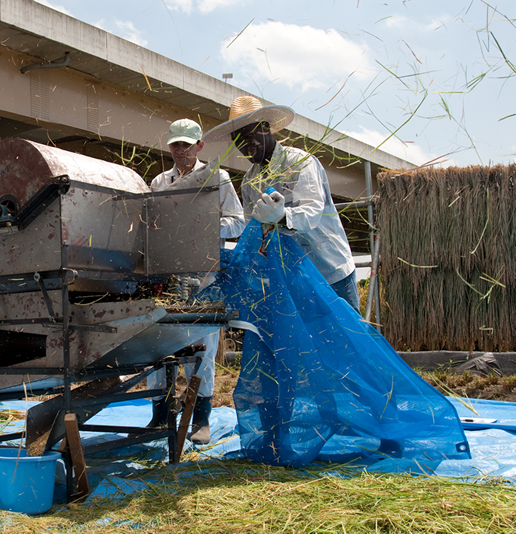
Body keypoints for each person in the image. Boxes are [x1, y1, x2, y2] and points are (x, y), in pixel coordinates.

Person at [202, 95, 360, 311]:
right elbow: (253, 230)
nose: (246, 147)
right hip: (294, 278)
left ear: (265, 128)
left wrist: (282, 216)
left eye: (249, 136)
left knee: (348, 339)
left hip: (328, 269)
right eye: (238, 141)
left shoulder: (299, 163)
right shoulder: (250, 181)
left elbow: (313, 212)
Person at [145, 118, 245, 444]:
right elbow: (148, 223)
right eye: (175, 144)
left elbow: (238, 223)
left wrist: (205, 226)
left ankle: (200, 420)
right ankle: (159, 416)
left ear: (200, 146)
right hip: (169, 278)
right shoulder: (160, 182)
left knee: (202, 346)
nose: (180, 150)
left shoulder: (218, 178)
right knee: (158, 348)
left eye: (187, 145)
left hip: (204, 278)